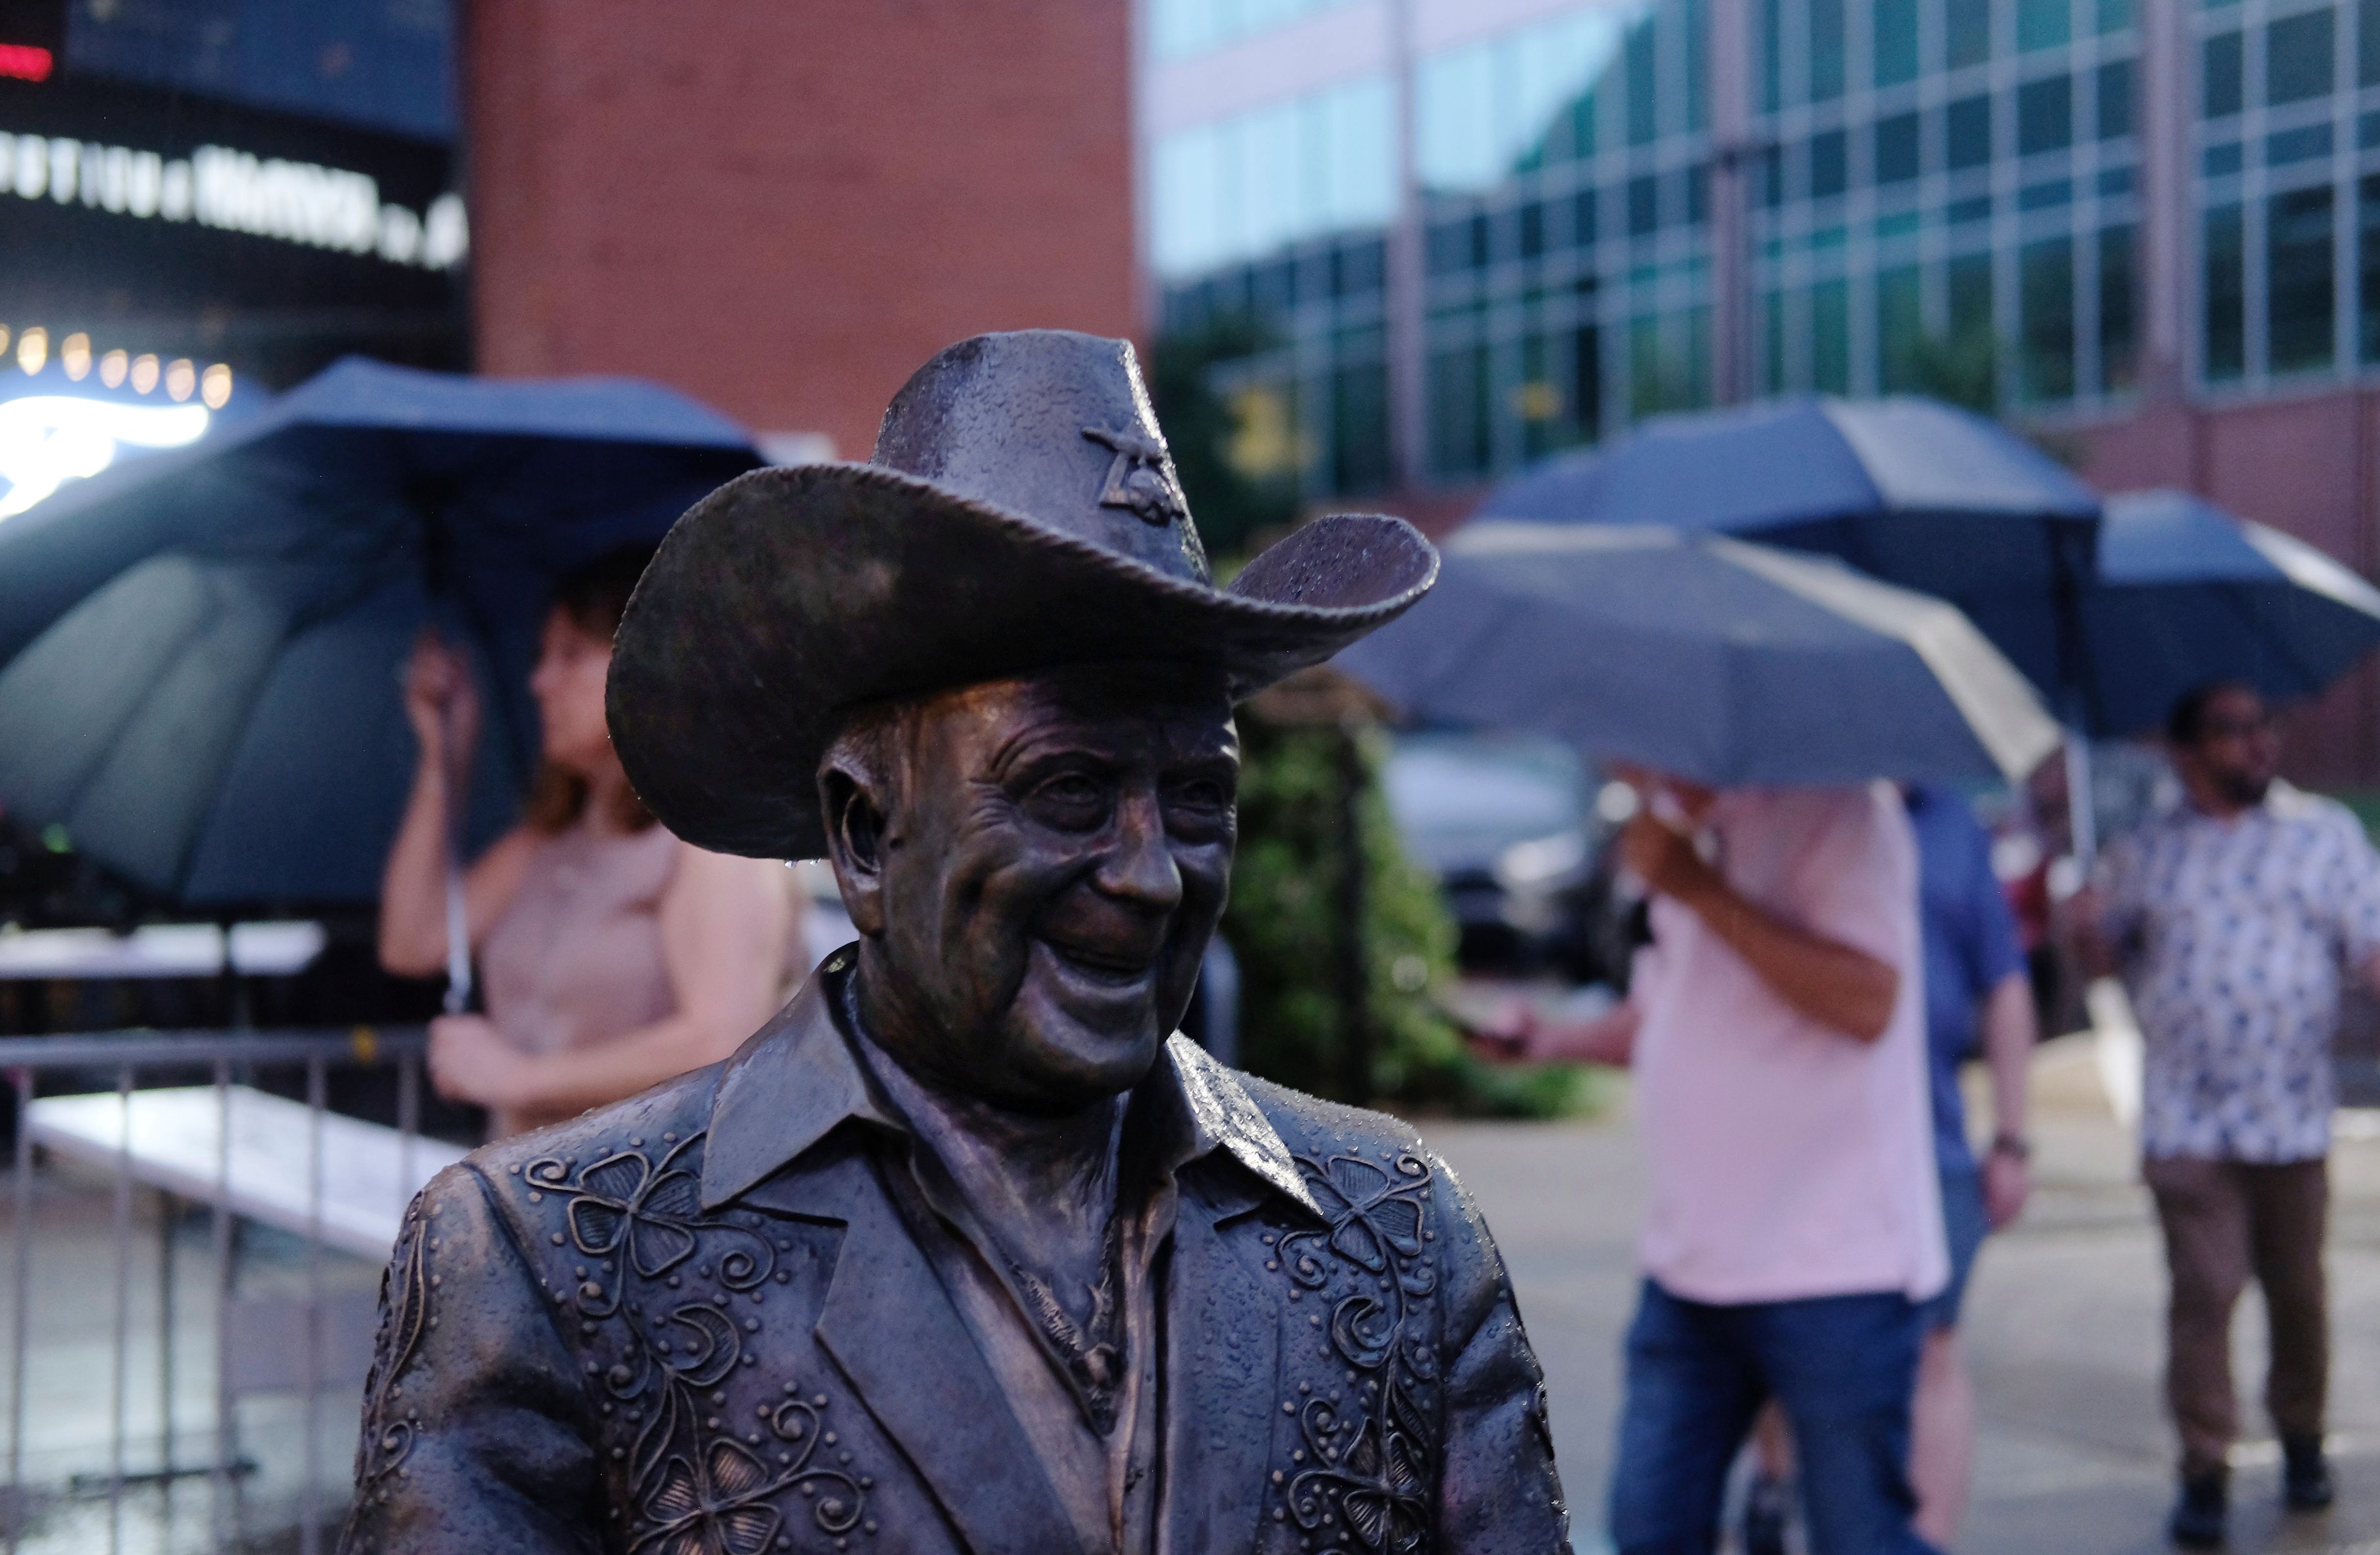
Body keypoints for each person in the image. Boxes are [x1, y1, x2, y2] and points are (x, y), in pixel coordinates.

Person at [338, 330, 1566, 1555]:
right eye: (1069, 793)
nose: (1149, 875)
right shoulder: (542, 1265)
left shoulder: (1400, 1234)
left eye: (1198, 798)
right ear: (867, 832)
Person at [1490, 768, 1945, 1555]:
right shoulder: (1673, 821)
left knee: (1858, 1535)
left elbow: (1868, 1001)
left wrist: (1700, 888)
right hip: (1690, 1265)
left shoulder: (1844, 812)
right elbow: (1668, 1012)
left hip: (1834, 1265)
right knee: (1651, 1528)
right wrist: (1552, 1040)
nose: (1608, 759)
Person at [2071, 681, 2380, 1548]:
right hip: (2190, 1120)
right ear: (2188, 752)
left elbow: (2376, 936)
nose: (2259, 745)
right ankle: (2204, 1466)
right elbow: (2103, 960)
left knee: (2298, 1292)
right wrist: (2081, 925)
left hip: (2291, 1116)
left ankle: (2301, 1436)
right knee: (2205, 1293)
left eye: (2267, 726)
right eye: (2234, 732)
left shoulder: (2322, 835)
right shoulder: (2146, 850)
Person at [377, 545, 804, 1137]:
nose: (539, 681)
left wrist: (521, 1079)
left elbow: (724, 1035)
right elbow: (411, 942)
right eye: (541, 656)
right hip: (536, 1206)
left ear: (650, 666)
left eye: (571, 654)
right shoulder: (543, 846)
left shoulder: (709, 846)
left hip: (647, 1206)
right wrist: (442, 758)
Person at [1738, 782, 2037, 1552]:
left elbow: (2004, 984)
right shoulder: (1790, 810)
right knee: (1777, 1335)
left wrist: (2012, 1135)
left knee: (1936, 1343)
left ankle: (1926, 1538)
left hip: (1926, 1139)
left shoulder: (1953, 827)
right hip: (1795, 1137)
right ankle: (1773, 1477)